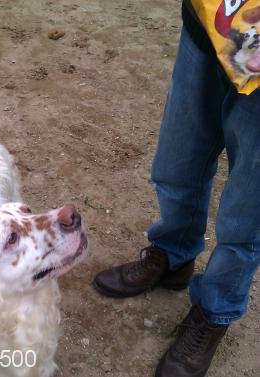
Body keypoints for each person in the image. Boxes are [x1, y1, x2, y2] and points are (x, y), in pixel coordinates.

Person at [92, 2, 260, 377]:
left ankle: (214, 310)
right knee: (177, 162)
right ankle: (173, 256)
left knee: (247, 214)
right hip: (211, 23)